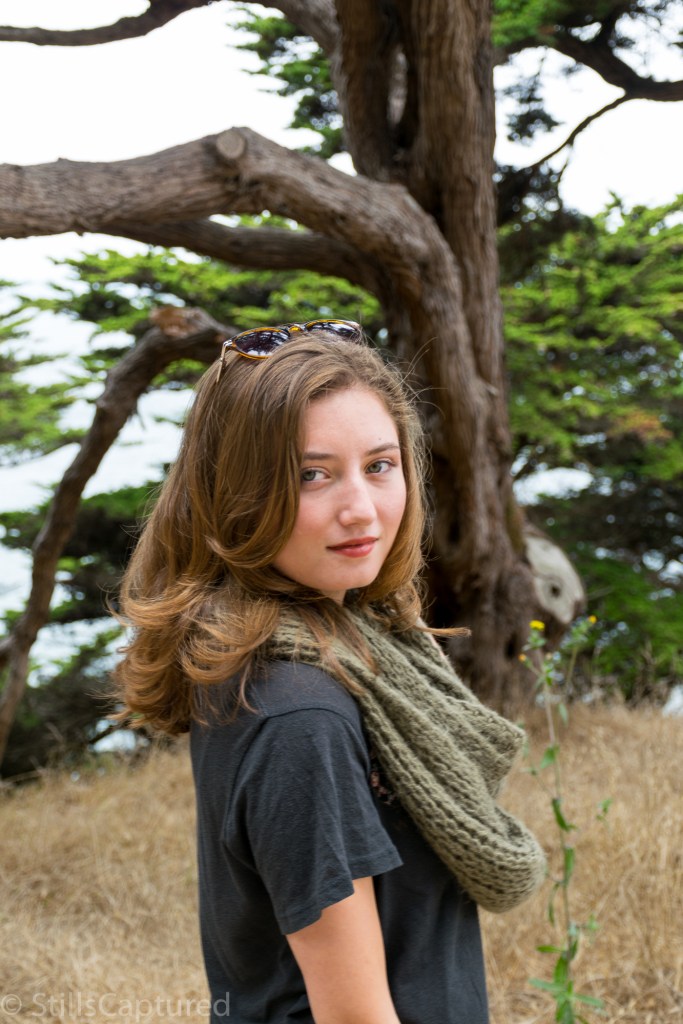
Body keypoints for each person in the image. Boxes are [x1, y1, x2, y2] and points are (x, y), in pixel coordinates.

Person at [116, 319, 546, 1024]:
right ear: (239, 494)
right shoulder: (301, 712)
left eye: (378, 466)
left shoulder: (302, 643)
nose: (360, 511)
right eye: (311, 475)